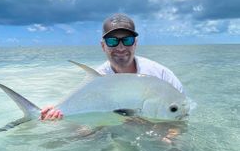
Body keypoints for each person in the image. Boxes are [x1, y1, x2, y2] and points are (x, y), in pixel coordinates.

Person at [40, 13, 184, 120]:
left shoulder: (162, 75)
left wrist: (172, 133)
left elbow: (182, 118)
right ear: (103, 46)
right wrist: (55, 113)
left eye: (127, 40)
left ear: (135, 43)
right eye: (112, 41)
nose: (120, 47)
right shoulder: (99, 76)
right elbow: (88, 126)